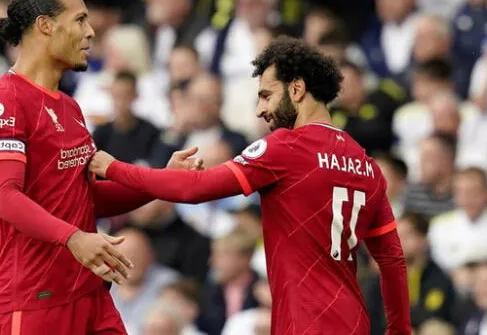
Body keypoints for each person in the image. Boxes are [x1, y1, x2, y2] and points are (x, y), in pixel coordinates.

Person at [90, 36, 411, 334]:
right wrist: (399, 331)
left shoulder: (286, 147)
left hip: (304, 322)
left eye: (266, 95)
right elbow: (392, 262)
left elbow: (195, 189)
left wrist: (114, 168)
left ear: (296, 89)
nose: (260, 110)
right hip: (353, 322)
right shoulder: (367, 166)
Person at [0, 0, 200, 334]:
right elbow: (6, 198)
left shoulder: (69, 107)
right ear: (46, 26)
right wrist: (74, 238)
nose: (91, 32)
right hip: (35, 302)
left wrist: (161, 180)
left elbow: (86, 199)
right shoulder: (4, 100)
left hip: (89, 294)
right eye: (80, 20)